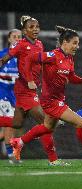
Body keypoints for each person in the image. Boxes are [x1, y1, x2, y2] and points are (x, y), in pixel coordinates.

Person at [10, 25, 82, 163]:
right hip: (50, 101)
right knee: (81, 123)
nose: (77, 46)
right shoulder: (52, 56)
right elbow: (29, 59)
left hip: (57, 98)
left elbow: (71, 77)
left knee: (47, 127)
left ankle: (19, 142)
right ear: (64, 43)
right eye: (74, 43)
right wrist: (30, 80)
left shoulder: (69, 59)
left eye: (78, 43)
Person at [0, 15, 63, 166]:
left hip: (31, 91)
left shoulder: (40, 44)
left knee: (16, 123)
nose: (35, 29)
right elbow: (5, 58)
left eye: (37, 27)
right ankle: (53, 160)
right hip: (23, 90)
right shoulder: (20, 45)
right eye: (31, 27)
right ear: (24, 31)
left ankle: (17, 142)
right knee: (46, 122)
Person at [0, 29, 21, 163]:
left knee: (10, 125)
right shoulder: (3, 55)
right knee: (9, 122)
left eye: (19, 37)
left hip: (15, 96)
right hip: (2, 94)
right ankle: (11, 155)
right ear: (9, 39)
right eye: (14, 37)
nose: (17, 39)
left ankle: (11, 154)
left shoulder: (23, 58)